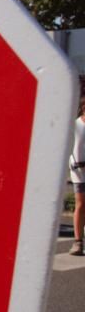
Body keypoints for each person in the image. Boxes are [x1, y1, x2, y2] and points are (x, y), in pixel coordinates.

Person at [69, 94, 85, 255]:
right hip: (79, 171)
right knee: (80, 204)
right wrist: (75, 163)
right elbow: (70, 147)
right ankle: (78, 242)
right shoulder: (75, 125)